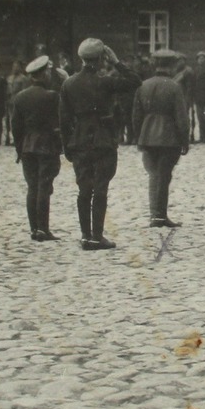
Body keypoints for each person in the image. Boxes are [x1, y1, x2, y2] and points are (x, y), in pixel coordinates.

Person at [60, 38, 141, 250]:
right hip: (103, 138)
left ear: (81, 59)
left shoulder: (69, 83)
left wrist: (67, 146)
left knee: (83, 188)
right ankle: (97, 235)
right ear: (100, 59)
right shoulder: (105, 81)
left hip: (79, 139)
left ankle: (85, 236)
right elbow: (135, 81)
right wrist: (116, 62)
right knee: (101, 187)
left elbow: (64, 119)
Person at [132, 49, 192, 228]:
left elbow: (136, 116)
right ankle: (160, 215)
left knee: (153, 175)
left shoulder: (143, 85)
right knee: (164, 176)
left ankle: (154, 214)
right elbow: (182, 117)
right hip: (168, 137)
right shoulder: (174, 87)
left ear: (154, 65)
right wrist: (185, 140)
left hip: (147, 137)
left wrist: (139, 137)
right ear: (172, 65)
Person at [10, 56, 64, 241]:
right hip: (47, 145)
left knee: (32, 187)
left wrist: (19, 148)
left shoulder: (20, 97)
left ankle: (34, 229)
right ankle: (43, 229)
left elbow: (15, 127)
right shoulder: (52, 96)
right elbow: (60, 121)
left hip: (27, 146)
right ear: (44, 73)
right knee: (44, 187)